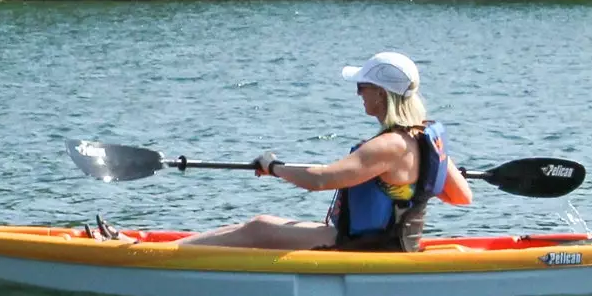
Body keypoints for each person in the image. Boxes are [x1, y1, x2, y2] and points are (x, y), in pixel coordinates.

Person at [182, 51, 473, 251]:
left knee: (259, 228)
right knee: (257, 225)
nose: (358, 94)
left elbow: (320, 180)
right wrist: (412, 186)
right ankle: (173, 247)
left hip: (365, 246)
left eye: (362, 87)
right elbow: (462, 196)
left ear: (381, 94)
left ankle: (159, 255)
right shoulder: (426, 140)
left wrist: (272, 166)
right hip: (393, 241)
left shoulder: (390, 146)